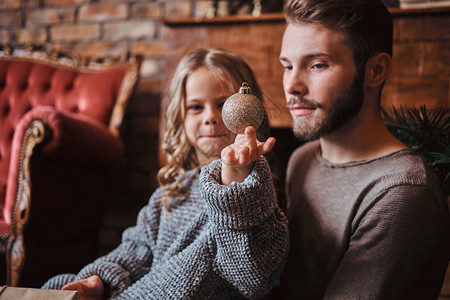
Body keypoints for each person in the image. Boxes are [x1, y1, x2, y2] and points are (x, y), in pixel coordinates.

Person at [42, 48, 289, 299]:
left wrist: (237, 181)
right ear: (179, 116)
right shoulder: (172, 191)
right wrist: (100, 281)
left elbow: (254, 278)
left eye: (223, 105)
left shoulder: (258, 193)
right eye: (195, 107)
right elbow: (137, 249)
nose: (210, 118)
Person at [276, 0, 450, 299]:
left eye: (317, 65)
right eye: (287, 66)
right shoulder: (302, 160)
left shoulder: (402, 191)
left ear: (376, 70)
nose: (292, 85)